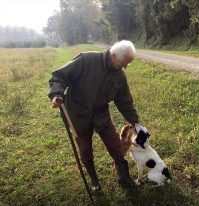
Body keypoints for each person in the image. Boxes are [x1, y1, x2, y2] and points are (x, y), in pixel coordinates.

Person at [48, 40, 148, 190]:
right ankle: (94, 180)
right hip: (77, 113)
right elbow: (59, 76)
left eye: (128, 63)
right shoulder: (86, 60)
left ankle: (123, 176)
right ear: (113, 55)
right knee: (85, 148)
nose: (125, 66)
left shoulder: (119, 76)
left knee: (115, 144)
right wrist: (56, 94)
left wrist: (135, 121)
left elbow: (124, 101)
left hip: (100, 113)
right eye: (124, 62)